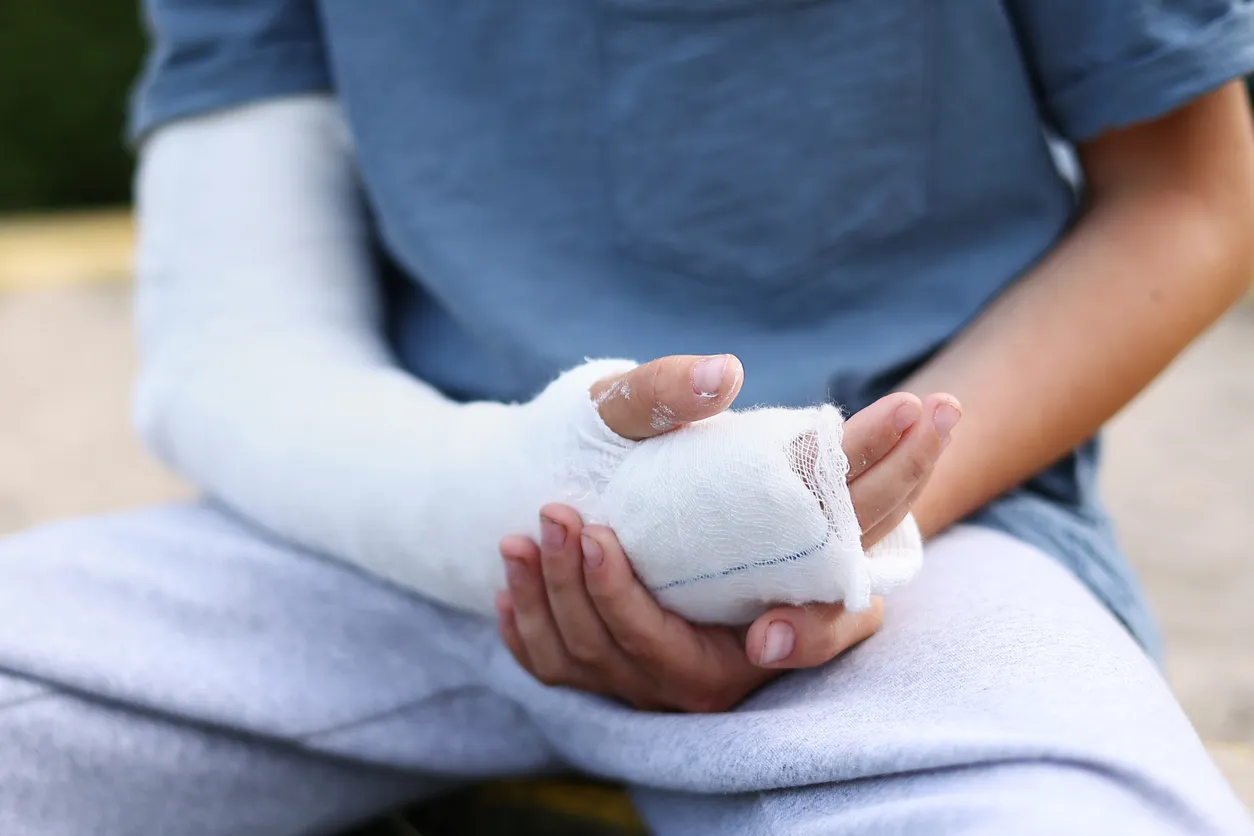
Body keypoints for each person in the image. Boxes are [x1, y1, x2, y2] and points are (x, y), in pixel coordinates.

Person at [3, 1, 1254, 833]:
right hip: (364, 546)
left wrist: (818, 517)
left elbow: (1193, 198)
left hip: (898, 564)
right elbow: (238, 332)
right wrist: (542, 490)